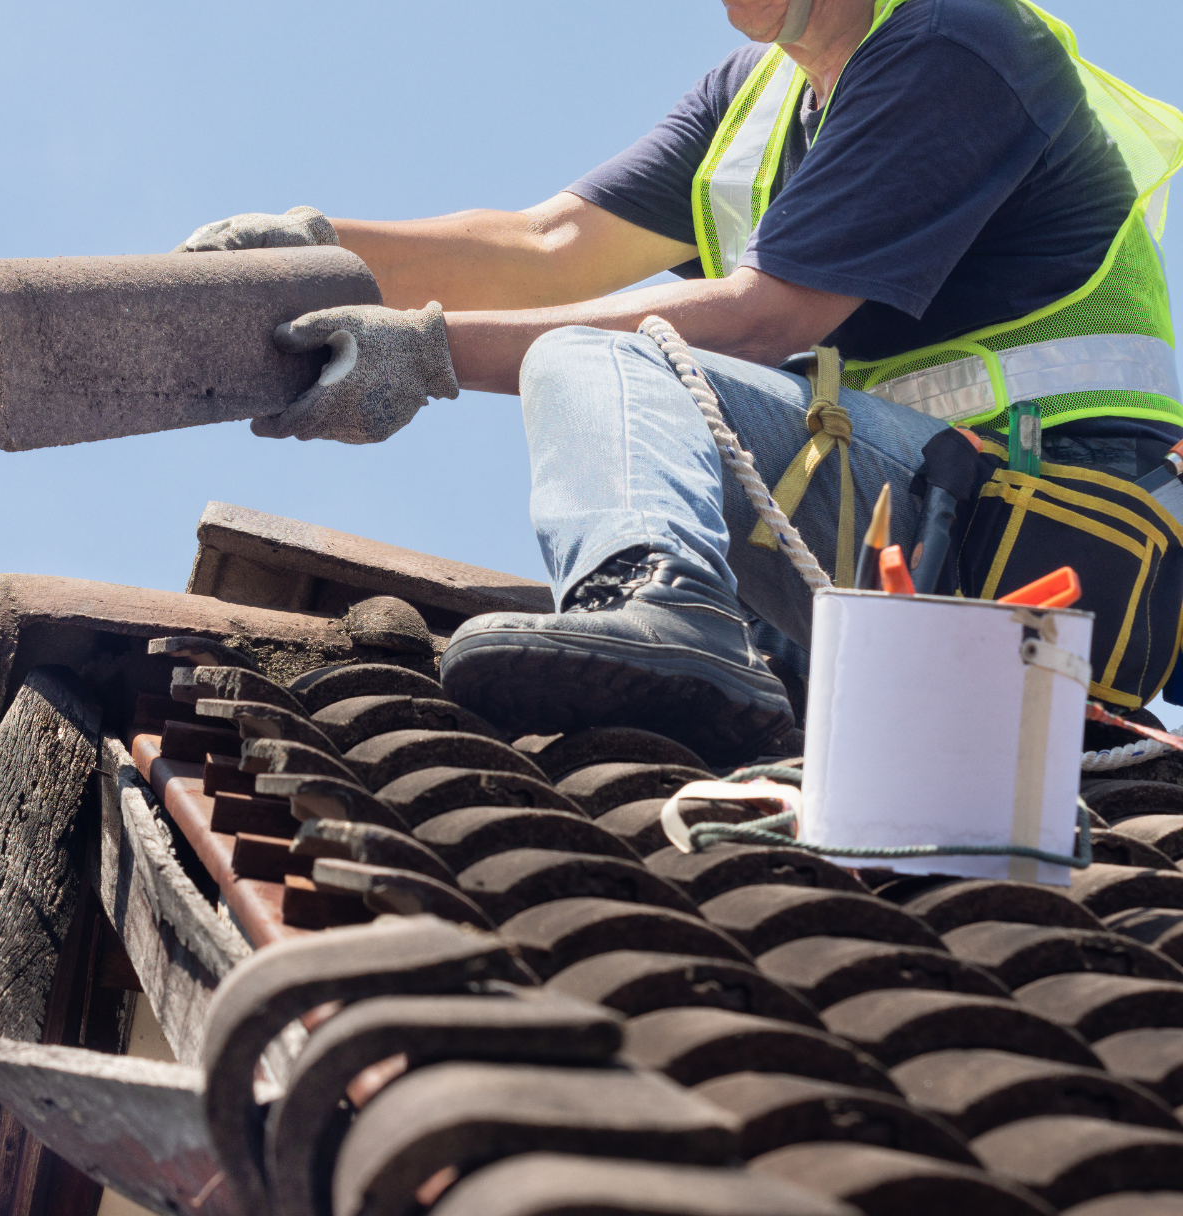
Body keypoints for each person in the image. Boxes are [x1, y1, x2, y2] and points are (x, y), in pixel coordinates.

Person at [173, 0, 1183, 764]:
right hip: (903, 532)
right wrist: (325, 249)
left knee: (606, 355)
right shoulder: (753, 99)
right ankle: (694, 641)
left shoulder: (953, 39)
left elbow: (761, 318)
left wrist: (420, 353)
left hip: (1031, 540)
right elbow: (550, 244)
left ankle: (668, 602)